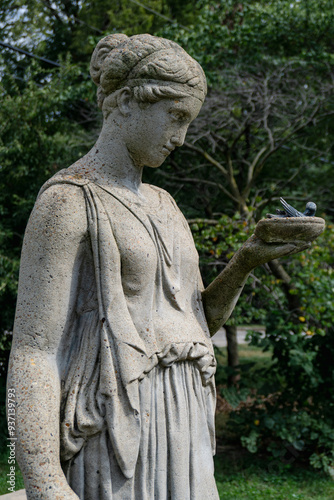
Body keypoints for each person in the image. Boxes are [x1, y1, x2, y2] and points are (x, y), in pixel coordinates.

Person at [8, 34, 309, 500]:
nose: (182, 137)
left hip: (187, 408)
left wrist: (247, 260)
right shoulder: (68, 201)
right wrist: (42, 479)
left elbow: (198, 320)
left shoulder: (165, 204)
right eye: (176, 117)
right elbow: (34, 351)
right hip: (119, 417)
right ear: (127, 101)